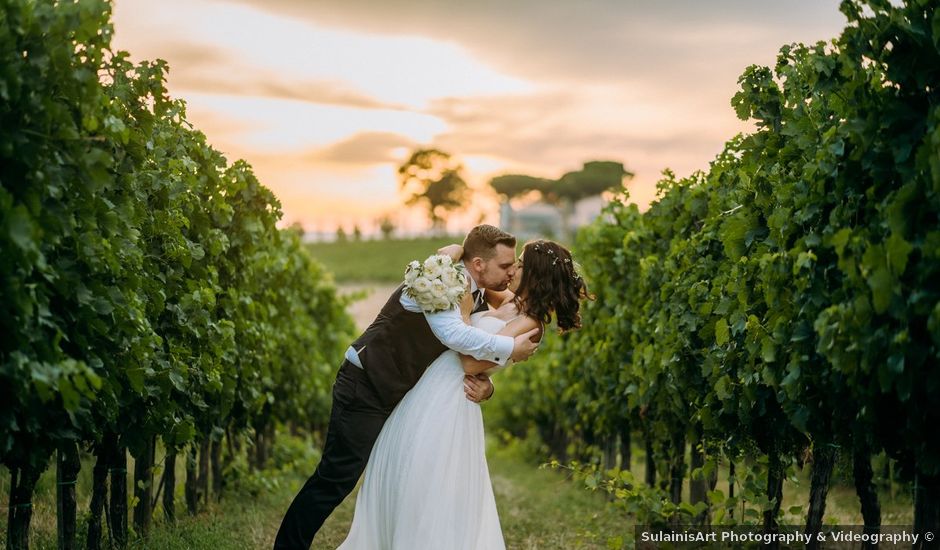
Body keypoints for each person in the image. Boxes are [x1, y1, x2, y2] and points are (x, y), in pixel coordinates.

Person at [274, 225, 540, 549]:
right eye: (505, 266)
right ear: (479, 264)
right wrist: (512, 349)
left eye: (515, 265)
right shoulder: (441, 284)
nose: (511, 272)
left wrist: (491, 385)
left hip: (399, 395)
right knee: (336, 477)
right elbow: (456, 336)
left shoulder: (476, 289)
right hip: (365, 385)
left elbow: (525, 305)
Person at [337, 239, 590, 549]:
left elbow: (471, 362)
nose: (513, 269)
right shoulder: (511, 301)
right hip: (430, 389)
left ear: (535, 275)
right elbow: (476, 277)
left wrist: (465, 315)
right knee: (405, 475)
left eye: (521, 264)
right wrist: (455, 252)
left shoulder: (531, 324)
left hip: (452, 400)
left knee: (430, 483)